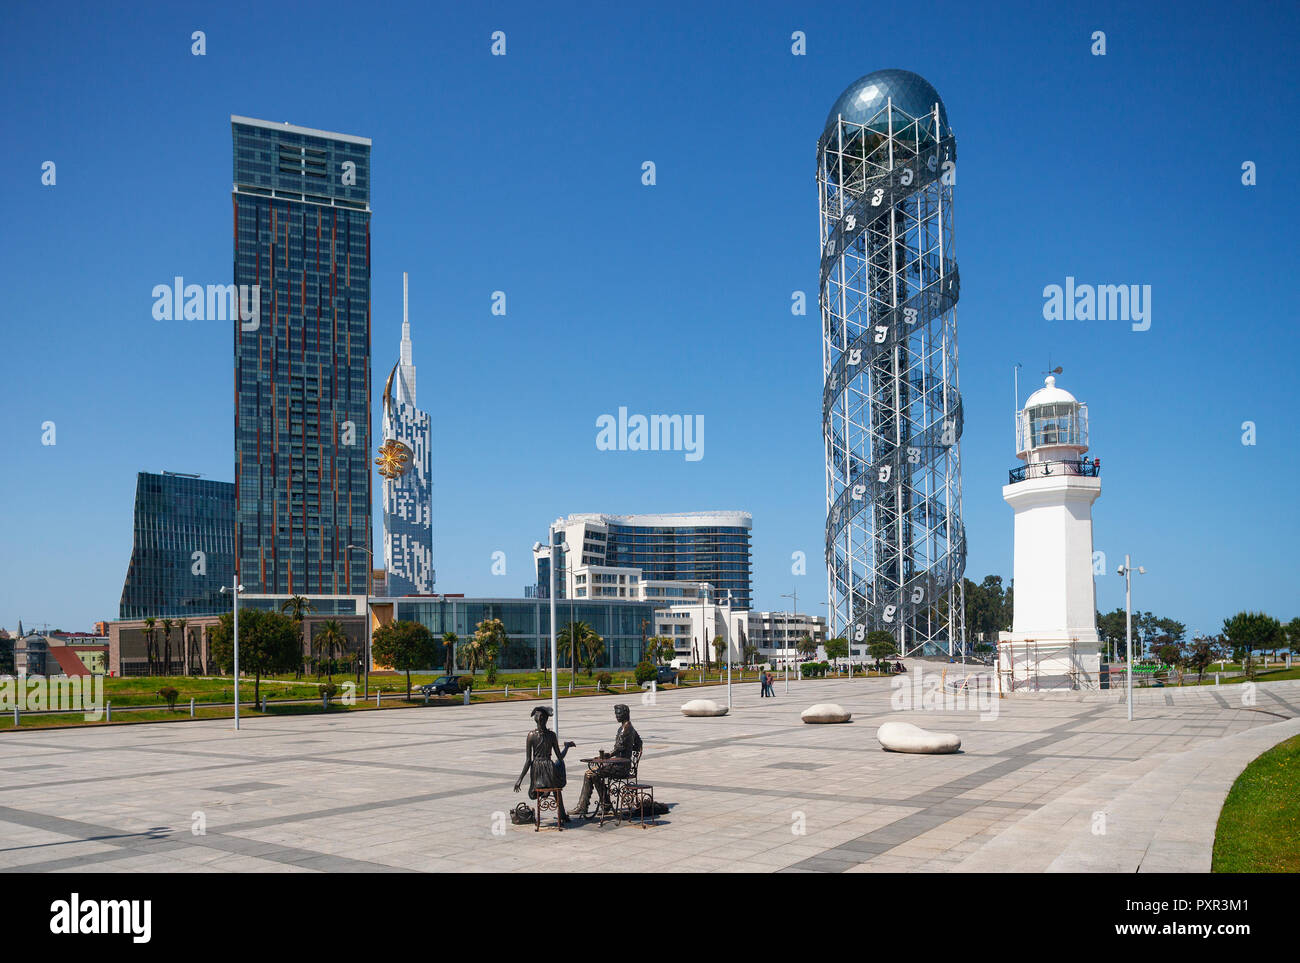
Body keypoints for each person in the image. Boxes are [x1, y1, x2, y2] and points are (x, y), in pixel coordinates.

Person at [571, 703, 642, 818]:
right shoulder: (629, 727)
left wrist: (609, 755)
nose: (616, 716)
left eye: (618, 713)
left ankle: (585, 806)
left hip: (621, 767)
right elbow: (639, 744)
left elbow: (619, 747)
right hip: (622, 764)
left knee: (590, 774)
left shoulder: (626, 728)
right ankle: (605, 804)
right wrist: (629, 750)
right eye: (616, 713)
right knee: (593, 773)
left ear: (625, 714)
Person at [513, 705, 575, 824]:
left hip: (536, 771)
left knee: (554, 781)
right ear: (546, 720)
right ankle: (562, 814)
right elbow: (560, 757)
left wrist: (519, 779)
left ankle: (545, 791)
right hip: (548, 769)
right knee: (557, 779)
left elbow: (528, 761)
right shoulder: (551, 735)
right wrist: (567, 747)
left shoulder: (531, 735)